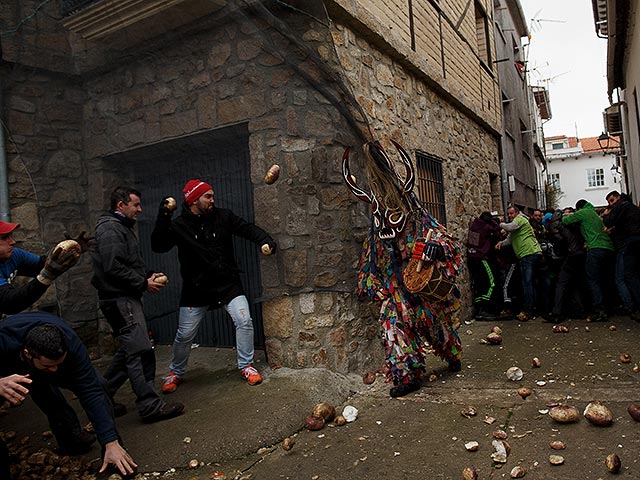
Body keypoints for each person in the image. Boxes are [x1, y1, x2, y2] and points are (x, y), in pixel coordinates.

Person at [151, 179, 276, 393]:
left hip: (227, 283)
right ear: (193, 199)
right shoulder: (179, 225)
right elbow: (158, 246)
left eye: (212, 196)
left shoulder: (223, 217)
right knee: (184, 334)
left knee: (244, 320)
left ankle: (246, 366)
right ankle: (176, 373)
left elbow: (247, 229)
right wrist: (164, 215)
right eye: (207, 196)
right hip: (196, 288)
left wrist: (266, 240)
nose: (212, 200)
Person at [0, 312, 137, 476]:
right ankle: (70, 442)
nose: (53, 371)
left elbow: (91, 391)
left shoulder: (71, 343)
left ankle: (113, 453)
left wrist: (110, 440)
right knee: (47, 396)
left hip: (54, 362)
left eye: (57, 364)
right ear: (28, 353)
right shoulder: (3, 339)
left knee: (99, 386)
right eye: (48, 366)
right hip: (11, 370)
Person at [92, 187, 184, 422]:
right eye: (136, 205)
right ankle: (150, 406)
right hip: (120, 299)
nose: (140, 209)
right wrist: (143, 283)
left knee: (127, 351)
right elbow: (113, 267)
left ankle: (100, 397)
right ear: (120, 205)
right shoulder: (111, 229)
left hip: (123, 297)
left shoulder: (119, 227)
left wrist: (148, 274)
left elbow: (125, 263)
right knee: (140, 352)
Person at [1, 221, 84, 316]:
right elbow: (8, 304)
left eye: (10, 236)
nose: (12, 241)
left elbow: (44, 265)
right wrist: (47, 276)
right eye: (4, 238)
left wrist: (68, 250)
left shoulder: (14, 255)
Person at [562, 199, 615, 322]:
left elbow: (566, 221)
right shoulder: (595, 214)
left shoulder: (583, 212)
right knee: (606, 279)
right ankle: (609, 307)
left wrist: (565, 214)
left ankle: (599, 310)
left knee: (593, 279)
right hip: (609, 248)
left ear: (579, 208)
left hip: (595, 248)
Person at [496, 206, 542, 321]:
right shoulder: (519, 223)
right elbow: (509, 240)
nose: (510, 216)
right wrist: (501, 243)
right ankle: (534, 308)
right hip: (530, 254)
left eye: (511, 213)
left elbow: (510, 227)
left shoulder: (520, 219)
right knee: (530, 283)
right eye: (509, 214)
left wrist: (500, 223)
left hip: (528, 253)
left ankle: (528, 310)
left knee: (527, 283)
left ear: (517, 213)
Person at [602, 190, 640, 319]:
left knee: (625, 276)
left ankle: (632, 306)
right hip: (634, 240)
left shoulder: (621, 206)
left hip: (628, 242)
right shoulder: (631, 207)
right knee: (632, 274)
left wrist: (606, 215)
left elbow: (610, 221)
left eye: (612, 200)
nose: (611, 204)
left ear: (618, 198)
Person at [547, 207, 589, 322]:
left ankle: (557, 313)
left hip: (571, 255)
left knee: (561, 283)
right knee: (576, 283)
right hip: (581, 254)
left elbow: (560, 240)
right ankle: (581, 310)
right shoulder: (577, 223)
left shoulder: (559, 224)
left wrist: (561, 251)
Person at [467, 212, 500, 319]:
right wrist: (496, 221)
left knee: (478, 284)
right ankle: (485, 308)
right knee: (491, 282)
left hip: (472, 258)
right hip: (481, 258)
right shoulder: (485, 227)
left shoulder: (475, 226)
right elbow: (496, 228)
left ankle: (479, 308)